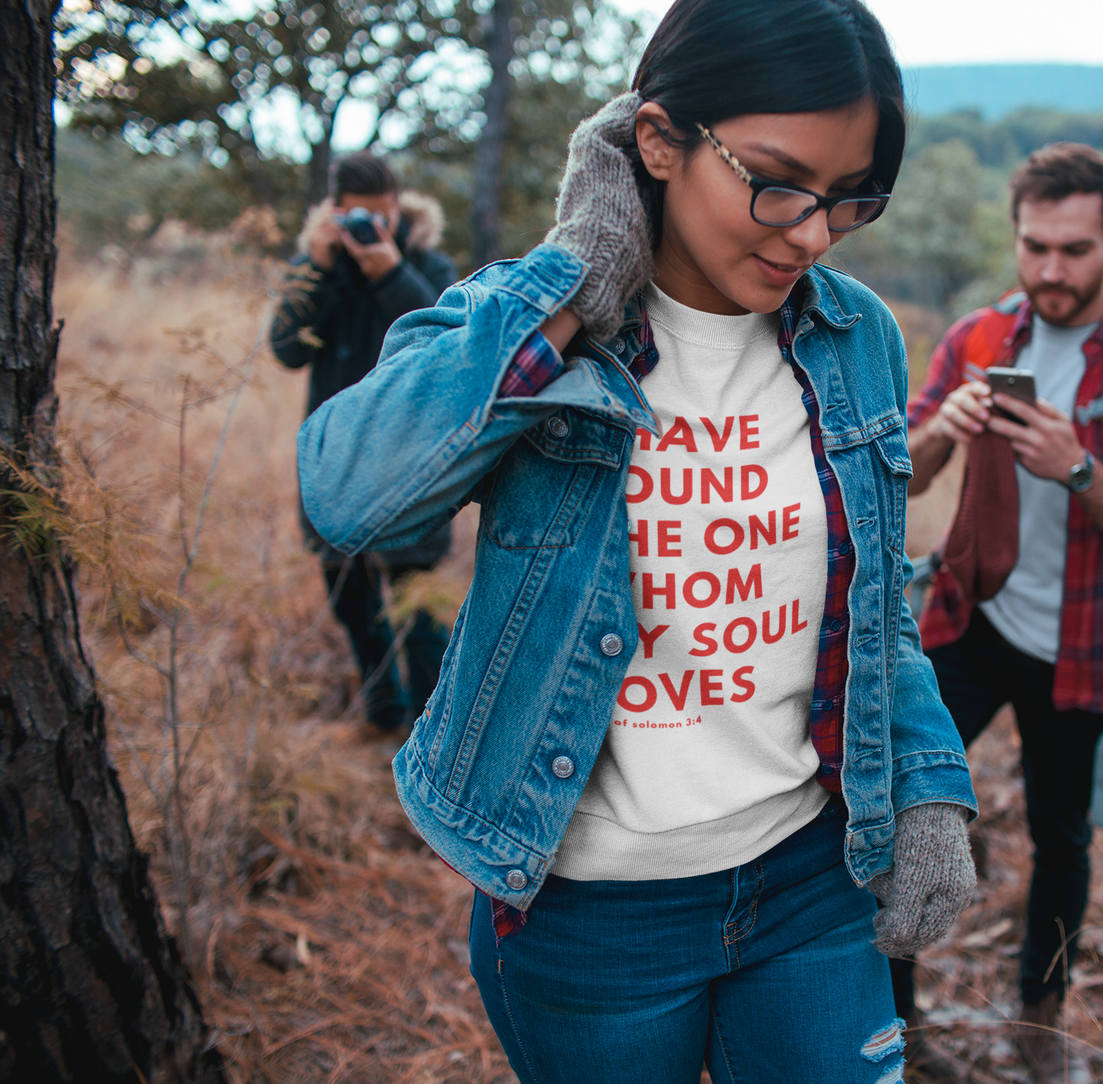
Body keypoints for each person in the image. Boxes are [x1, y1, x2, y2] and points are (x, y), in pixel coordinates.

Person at [296, 0, 980, 1078]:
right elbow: (354, 496)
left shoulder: (856, 339)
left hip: (810, 877)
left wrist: (927, 778)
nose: (809, 231)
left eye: (848, 199)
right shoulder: (534, 331)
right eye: (775, 179)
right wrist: (574, 280)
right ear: (657, 142)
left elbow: (874, 598)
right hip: (592, 913)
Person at [902, 143, 1103, 1084]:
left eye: (1074, 250)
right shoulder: (977, 338)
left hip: (1086, 642)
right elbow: (893, 475)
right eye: (1033, 247)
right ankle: (895, 1022)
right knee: (904, 809)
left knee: (1061, 837)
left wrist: (1076, 469)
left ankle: (1038, 1026)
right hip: (968, 618)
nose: (1048, 272)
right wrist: (939, 433)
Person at [270, 153, 458, 735]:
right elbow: (286, 349)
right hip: (338, 458)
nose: (373, 228)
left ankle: (431, 725)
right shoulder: (318, 265)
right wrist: (323, 268)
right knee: (352, 599)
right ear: (335, 212)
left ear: (398, 205)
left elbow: (451, 346)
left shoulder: (428, 264)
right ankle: (383, 711)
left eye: (383, 215)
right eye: (359, 218)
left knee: (419, 603)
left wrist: (389, 271)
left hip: (413, 459)